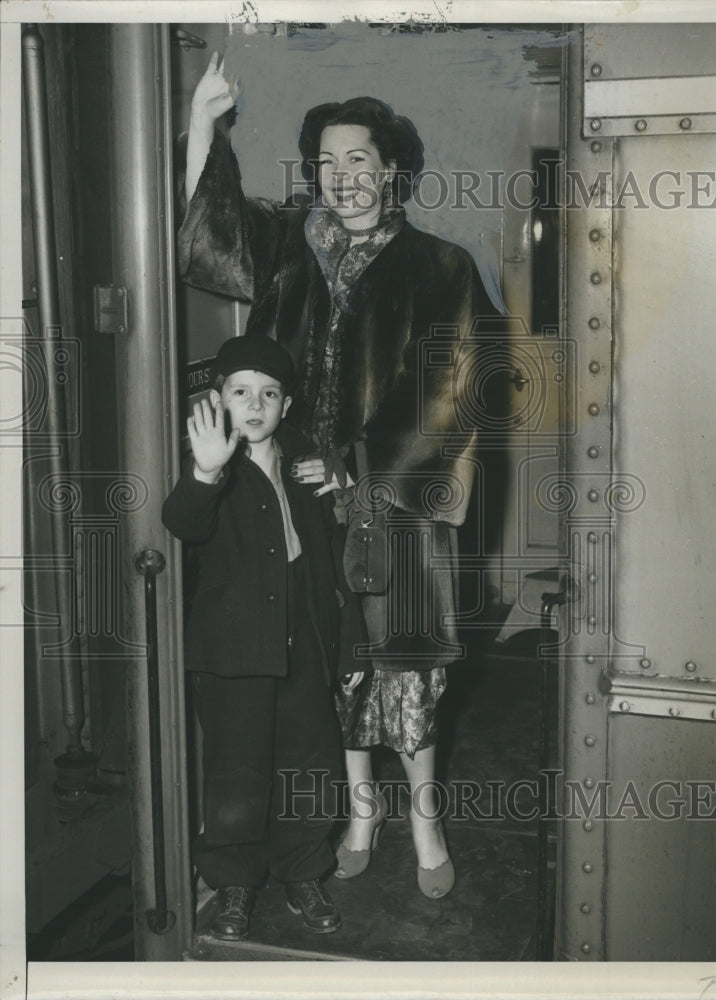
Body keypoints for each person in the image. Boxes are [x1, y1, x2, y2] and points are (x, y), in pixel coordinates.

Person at [178, 54, 501, 900]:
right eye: (325, 161)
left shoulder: (441, 267)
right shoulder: (292, 246)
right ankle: (360, 816)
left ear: (392, 169)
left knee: (408, 665)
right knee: (334, 668)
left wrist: (356, 466)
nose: (341, 176)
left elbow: (457, 386)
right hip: (303, 507)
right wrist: (205, 126)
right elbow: (212, 242)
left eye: (358, 158)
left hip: (396, 506)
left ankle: (426, 824)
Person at [162, 334, 347, 939]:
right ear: (218, 399)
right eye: (240, 391)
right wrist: (205, 470)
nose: (256, 403)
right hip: (234, 653)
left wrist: (341, 649)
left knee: (309, 765)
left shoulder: (304, 463)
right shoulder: (209, 464)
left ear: (286, 407)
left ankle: (302, 870)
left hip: (303, 642)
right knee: (236, 772)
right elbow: (182, 521)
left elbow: (327, 564)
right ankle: (234, 881)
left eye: (270, 393)